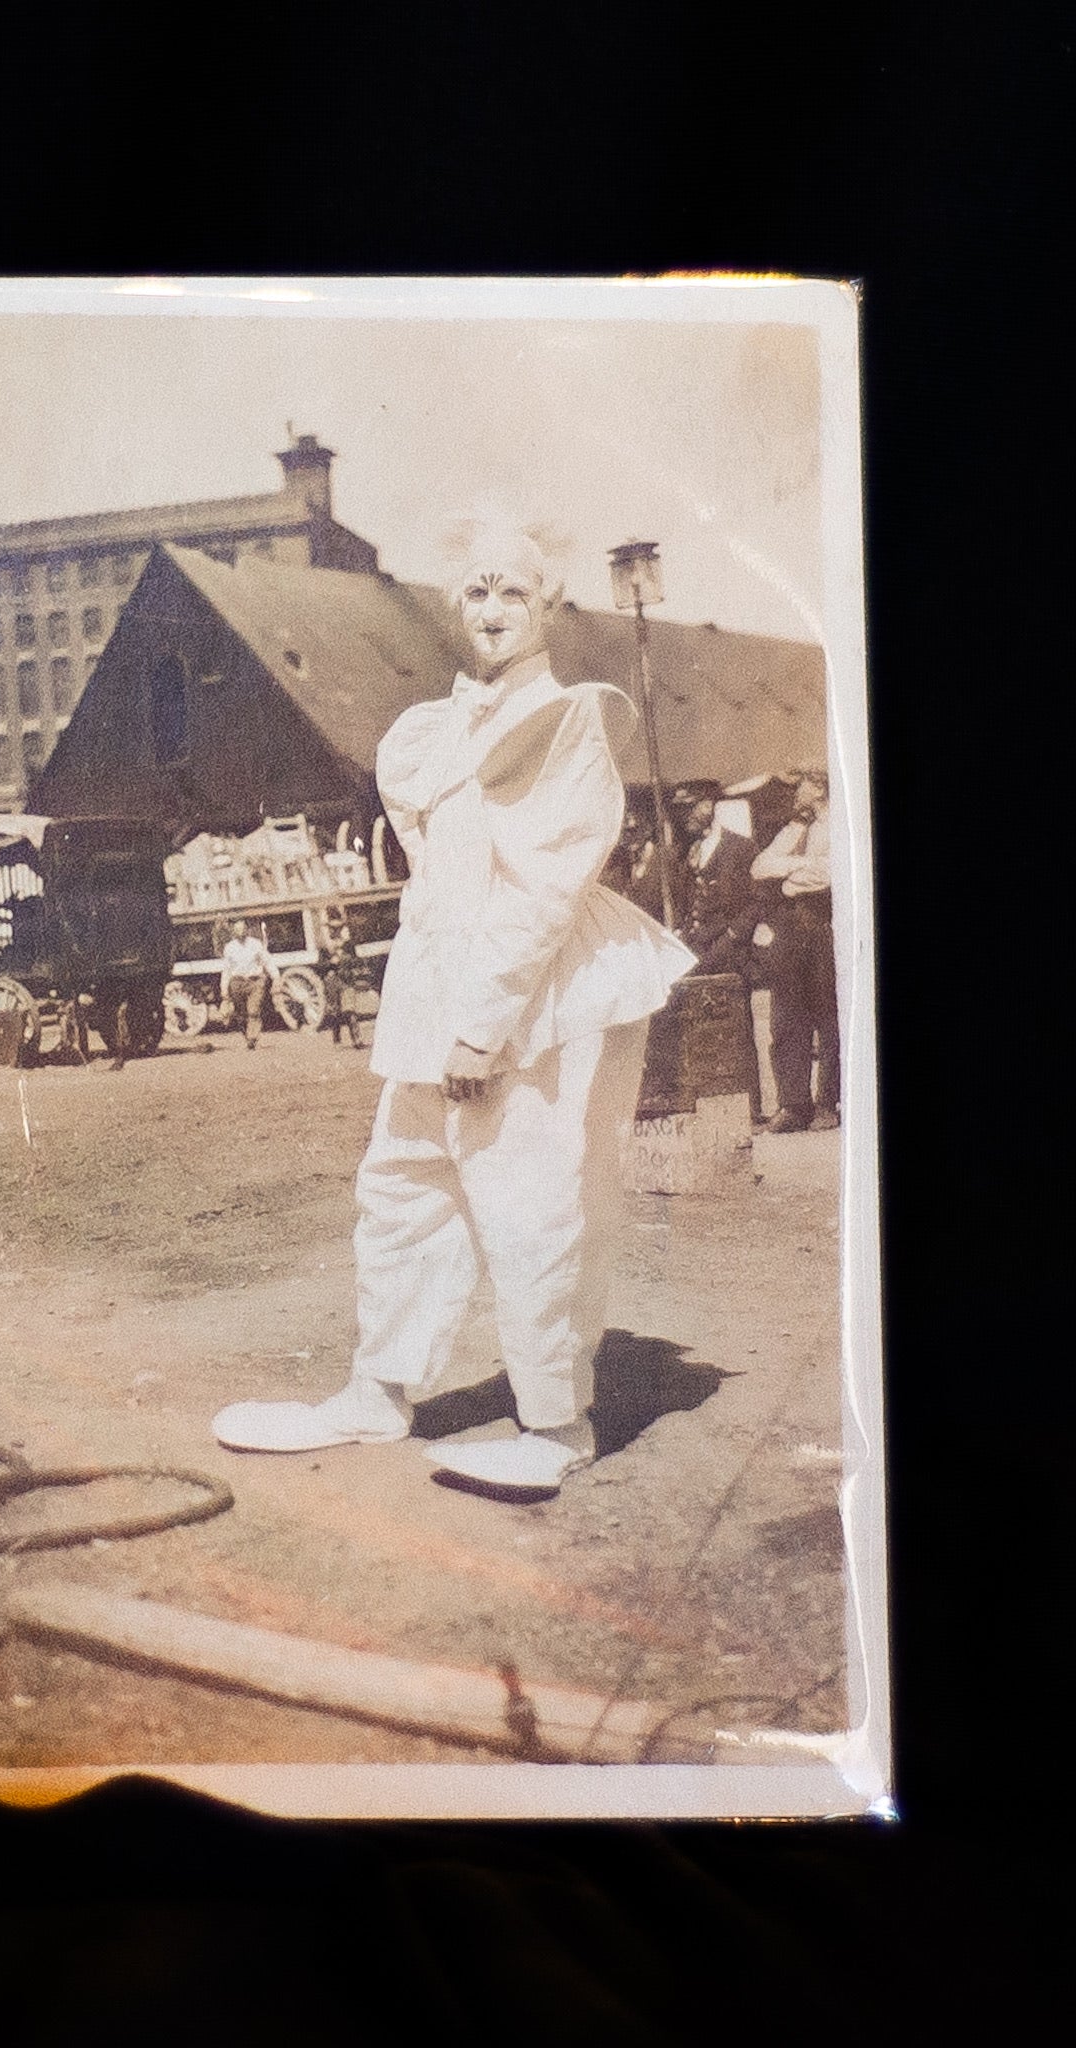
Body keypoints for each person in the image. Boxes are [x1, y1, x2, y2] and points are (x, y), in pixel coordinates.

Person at [211, 522, 696, 1496]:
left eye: (513, 593)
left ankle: (556, 1422)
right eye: (476, 593)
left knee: (529, 1196)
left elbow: (543, 892)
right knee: (403, 1186)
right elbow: (442, 873)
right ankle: (379, 1388)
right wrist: (444, 1008)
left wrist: (487, 1022)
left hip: (529, 989)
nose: (492, 611)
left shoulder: (569, 726)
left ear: (548, 606)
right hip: (438, 980)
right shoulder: (428, 732)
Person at [750, 768, 839, 1132]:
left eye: (800, 784)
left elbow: (832, 874)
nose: (795, 791)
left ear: (817, 787)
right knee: (787, 1017)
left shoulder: (841, 823)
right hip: (793, 928)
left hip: (824, 922)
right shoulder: (798, 827)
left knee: (829, 1014)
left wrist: (788, 880)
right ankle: (793, 1104)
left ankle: (831, 1101)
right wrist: (799, 867)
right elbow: (760, 867)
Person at [674, 787, 764, 1122]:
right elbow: (689, 901)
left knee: (736, 1028)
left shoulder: (740, 848)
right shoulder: (692, 851)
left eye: (689, 811)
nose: (684, 819)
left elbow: (755, 902)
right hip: (698, 950)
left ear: (708, 806)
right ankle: (713, 1104)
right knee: (702, 1029)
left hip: (729, 950)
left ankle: (750, 1109)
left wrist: (732, 936)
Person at [220, 919, 276, 1049]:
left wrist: (276, 976)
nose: (241, 932)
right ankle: (247, 1035)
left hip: (255, 981)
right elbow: (226, 970)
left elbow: (267, 961)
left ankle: (253, 1038)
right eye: (237, 929)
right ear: (234, 932)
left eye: (243, 929)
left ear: (247, 930)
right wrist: (224, 988)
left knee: (253, 1010)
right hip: (237, 983)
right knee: (240, 1014)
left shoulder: (255, 944)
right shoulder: (229, 947)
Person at [321, 926, 364, 1049]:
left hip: (346, 981)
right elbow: (320, 965)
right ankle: (337, 1040)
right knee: (335, 1013)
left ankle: (357, 1039)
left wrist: (344, 959)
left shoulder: (349, 946)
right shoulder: (325, 947)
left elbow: (356, 961)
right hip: (332, 983)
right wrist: (330, 964)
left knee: (350, 1011)